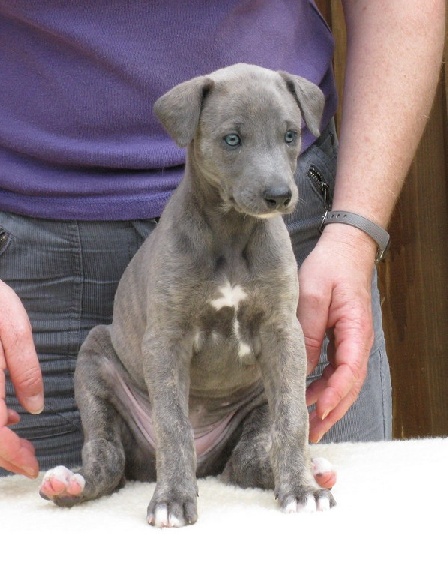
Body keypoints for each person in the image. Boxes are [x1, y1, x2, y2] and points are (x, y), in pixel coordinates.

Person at [0, 1, 445, 479]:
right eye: (233, 139)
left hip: (295, 240)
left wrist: (354, 233)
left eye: (288, 134)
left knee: (320, 515)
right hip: (36, 264)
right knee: (66, 517)